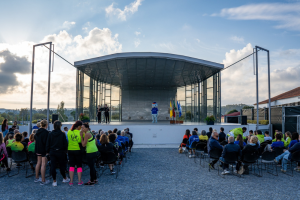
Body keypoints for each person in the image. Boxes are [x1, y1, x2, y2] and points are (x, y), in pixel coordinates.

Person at [46, 120, 69, 187]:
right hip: (60, 151)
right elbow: (65, 143)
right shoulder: (62, 134)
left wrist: (47, 152)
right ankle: (64, 178)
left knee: (53, 166)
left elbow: (48, 143)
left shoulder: (50, 134)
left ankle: (54, 181)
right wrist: (65, 150)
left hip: (52, 151)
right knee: (62, 165)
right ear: (60, 126)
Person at [67, 121, 83, 186]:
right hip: (78, 150)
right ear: (79, 126)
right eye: (81, 126)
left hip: (70, 149)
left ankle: (71, 181)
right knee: (79, 166)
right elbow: (80, 141)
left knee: (71, 166)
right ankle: (79, 181)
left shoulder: (69, 131)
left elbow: (68, 139)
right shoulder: (80, 132)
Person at [34, 120, 50, 185]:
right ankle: (43, 180)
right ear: (46, 125)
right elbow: (47, 142)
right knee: (43, 164)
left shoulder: (37, 132)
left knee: (38, 163)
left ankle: (37, 177)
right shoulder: (46, 133)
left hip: (38, 149)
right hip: (43, 150)